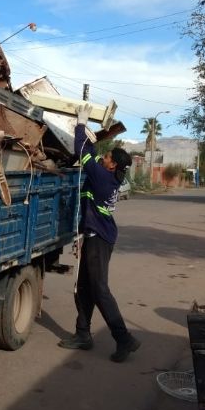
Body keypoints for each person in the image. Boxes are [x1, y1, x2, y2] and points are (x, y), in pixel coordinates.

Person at [58, 104, 140, 363]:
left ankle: (124, 339)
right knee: (84, 287)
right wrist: (92, 141)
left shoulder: (102, 177)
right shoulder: (109, 176)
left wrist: (81, 125)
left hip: (99, 240)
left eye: (107, 157)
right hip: (97, 236)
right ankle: (83, 334)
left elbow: (82, 152)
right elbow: (91, 156)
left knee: (100, 289)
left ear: (112, 165)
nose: (104, 157)